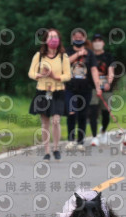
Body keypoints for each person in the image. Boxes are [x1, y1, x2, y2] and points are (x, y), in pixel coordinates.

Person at [28, 28, 71, 161]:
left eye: (56, 37)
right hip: (42, 91)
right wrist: (39, 75)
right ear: (45, 40)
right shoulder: (39, 56)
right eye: (51, 37)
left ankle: (56, 148)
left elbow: (68, 75)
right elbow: (31, 73)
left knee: (56, 120)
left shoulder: (63, 56)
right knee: (45, 122)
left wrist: (55, 76)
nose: (53, 40)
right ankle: (46, 150)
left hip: (57, 91)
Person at [64, 29, 101, 151]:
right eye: (76, 37)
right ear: (72, 39)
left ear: (84, 39)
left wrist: (97, 86)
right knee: (71, 112)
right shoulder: (67, 51)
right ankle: (70, 140)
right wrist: (78, 54)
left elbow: (94, 70)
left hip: (86, 89)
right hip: (70, 88)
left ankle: (80, 141)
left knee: (83, 114)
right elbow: (64, 63)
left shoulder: (90, 54)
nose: (78, 39)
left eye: (80, 38)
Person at [87, 34, 112, 146]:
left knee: (106, 113)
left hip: (105, 87)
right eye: (95, 40)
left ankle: (103, 131)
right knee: (93, 112)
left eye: (99, 40)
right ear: (92, 43)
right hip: (92, 87)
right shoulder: (89, 56)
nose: (97, 42)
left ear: (103, 43)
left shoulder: (108, 56)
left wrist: (109, 82)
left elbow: (111, 71)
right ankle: (94, 136)